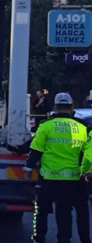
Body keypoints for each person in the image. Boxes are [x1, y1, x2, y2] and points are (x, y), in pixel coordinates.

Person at [25, 92, 92, 243]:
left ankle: (38, 238)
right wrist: (85, 171)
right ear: (72, 108)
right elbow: (88, 155)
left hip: (48, 179)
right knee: (65, 213)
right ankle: (65, 240)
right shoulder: (82, 128)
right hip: (72, 179)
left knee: (41, 211)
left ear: (55, 107)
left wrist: (28, 168)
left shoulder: (45, 126)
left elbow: (36, 150)